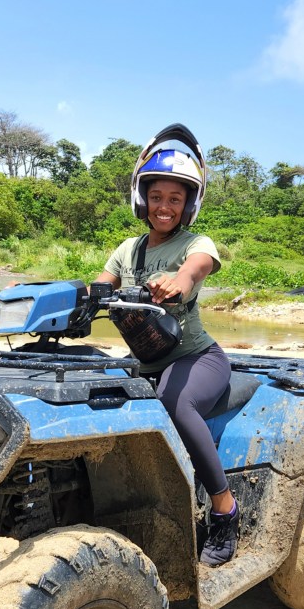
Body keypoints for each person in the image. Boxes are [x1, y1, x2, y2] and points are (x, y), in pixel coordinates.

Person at [93, 125, 238, 566]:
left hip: (197, 358)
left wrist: (177, 281)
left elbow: (195, 270)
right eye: (157, 197)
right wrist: (59, 295)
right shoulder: (128, 250)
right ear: (143, 199)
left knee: (175, 404)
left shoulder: (196, 244)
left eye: (175, 199)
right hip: (146, 359)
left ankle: (224, 509)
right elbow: (99, 286)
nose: (165, 207)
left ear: (188, 205)